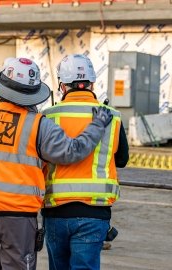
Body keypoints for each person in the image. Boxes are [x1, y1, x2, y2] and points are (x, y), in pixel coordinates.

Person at [0, 57, 113, 270]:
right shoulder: (39, 125)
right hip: (16, 213)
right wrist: (97, 125)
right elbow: (72, 152)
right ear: (32, 93)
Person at [41, 54, 129, 270]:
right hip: (94, 211)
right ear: (91, 83)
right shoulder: (112, 116)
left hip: (56, 210)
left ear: (62, 85)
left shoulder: (47, 116)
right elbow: (122, 159)